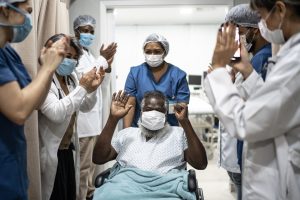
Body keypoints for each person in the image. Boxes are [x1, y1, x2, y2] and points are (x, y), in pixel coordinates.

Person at [204, 0, 300, 199]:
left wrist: (219, 70)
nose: (261, 24)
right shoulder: (288, 55)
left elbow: (245, 122)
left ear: (280, 10)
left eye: (262, 16)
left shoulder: (295, 61)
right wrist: (248, 71)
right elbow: (270, 105)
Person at [0, 1, 67, 199]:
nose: (29, 20)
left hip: (13, 159)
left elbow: (35, 102)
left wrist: (49, 68)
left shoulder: (8, 51)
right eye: (27, 12)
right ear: (5, 9)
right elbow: (19, 110)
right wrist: (46, 69)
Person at [92, 90, 207, 200]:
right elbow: (98, 158)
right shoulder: (127, 134)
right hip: (124, 187)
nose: (153, 114)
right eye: (148, 109)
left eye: (158, 110)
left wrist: (185, 123)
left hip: (166, 189)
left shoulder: (178, 134)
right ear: (141, 113)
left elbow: (200, 164)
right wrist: (113, 119)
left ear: (166, 114)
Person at [39, 34, 105, 200]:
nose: (72, 61)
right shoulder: (44, 79)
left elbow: (85, 106)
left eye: (75, 58)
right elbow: (56, 113)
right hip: (51, 151)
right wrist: (83, 87)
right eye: (67, 56)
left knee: (69, 193)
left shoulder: (71, 78)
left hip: (68, 149)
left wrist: (92, 89)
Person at [217, 4, 272, 200]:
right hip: (242, 150)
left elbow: (257, 107)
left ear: (254, 30)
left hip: (253, 152)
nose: (232, 38)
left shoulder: (262, 59)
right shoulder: (253, 59)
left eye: (236, 31)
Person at [73, 14, 117, 200]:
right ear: (76, 32)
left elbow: (99, 86)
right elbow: (86, 80)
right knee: (82, 169)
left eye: (92, 31)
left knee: (90, 167)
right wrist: (102, 60)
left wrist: (106, 69)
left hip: (93, 122)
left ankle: (89, 195)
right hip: (82, 123)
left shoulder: (90, 56)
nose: (89, 34)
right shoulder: (75, 55)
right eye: (85, 30)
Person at [123, 33, 190, 128]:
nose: (152, 55)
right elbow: (130, 104)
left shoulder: (178, 75)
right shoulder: (135, 73)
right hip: (140, 129)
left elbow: (182, 109)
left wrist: (183, 135)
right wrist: (127, 132)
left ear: (165, 52)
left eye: (157, 51)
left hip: (169, 129)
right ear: (144, 52)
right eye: (148, 51)